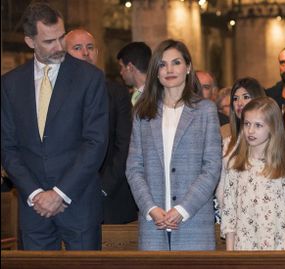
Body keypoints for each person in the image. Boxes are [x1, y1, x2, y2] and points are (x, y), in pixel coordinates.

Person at [1, 3, 108, 250]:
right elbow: (8, 147)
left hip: (78, 202)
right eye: (49, 41)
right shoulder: (10, 84)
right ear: (30, 42)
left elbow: (95, 142)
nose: (60, 47)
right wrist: (35, 194)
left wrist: (59, 193)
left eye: (61, 37)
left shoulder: (89, 78)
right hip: (33, 208)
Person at [126, 39, 221, 250]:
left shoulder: (205, 111)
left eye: (176, 62)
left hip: (193, 222)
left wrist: (182, 210)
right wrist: (150, 208)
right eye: (162, 64)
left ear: (188, 67)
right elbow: (134, 168)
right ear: (156, 71)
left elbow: (212, 167)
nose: (169, 69)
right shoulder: (143, 113)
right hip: (153, 225)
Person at [65, 28, 137, 224]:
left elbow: (124, 146)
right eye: (77, 48)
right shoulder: (55, 95)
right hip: (64, 195)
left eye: (90, 48)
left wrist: (103, 187)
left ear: (97, 53)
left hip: (109, 196)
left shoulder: (117, 93)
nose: (85, 53)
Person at [221, 97, 285, 250]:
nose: (250, 131)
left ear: (272, 127)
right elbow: (229, 213)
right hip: (244, 248)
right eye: (247, 124)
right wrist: (230, 254)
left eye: (258, 125)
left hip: (277, 248)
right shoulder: (235, 164)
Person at [216, 77, 266, 211]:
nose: (239, 103)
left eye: (245, 97)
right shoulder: (226, 144)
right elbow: (222, 187)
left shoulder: (269, 142)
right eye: (235, 98)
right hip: (234, 220)